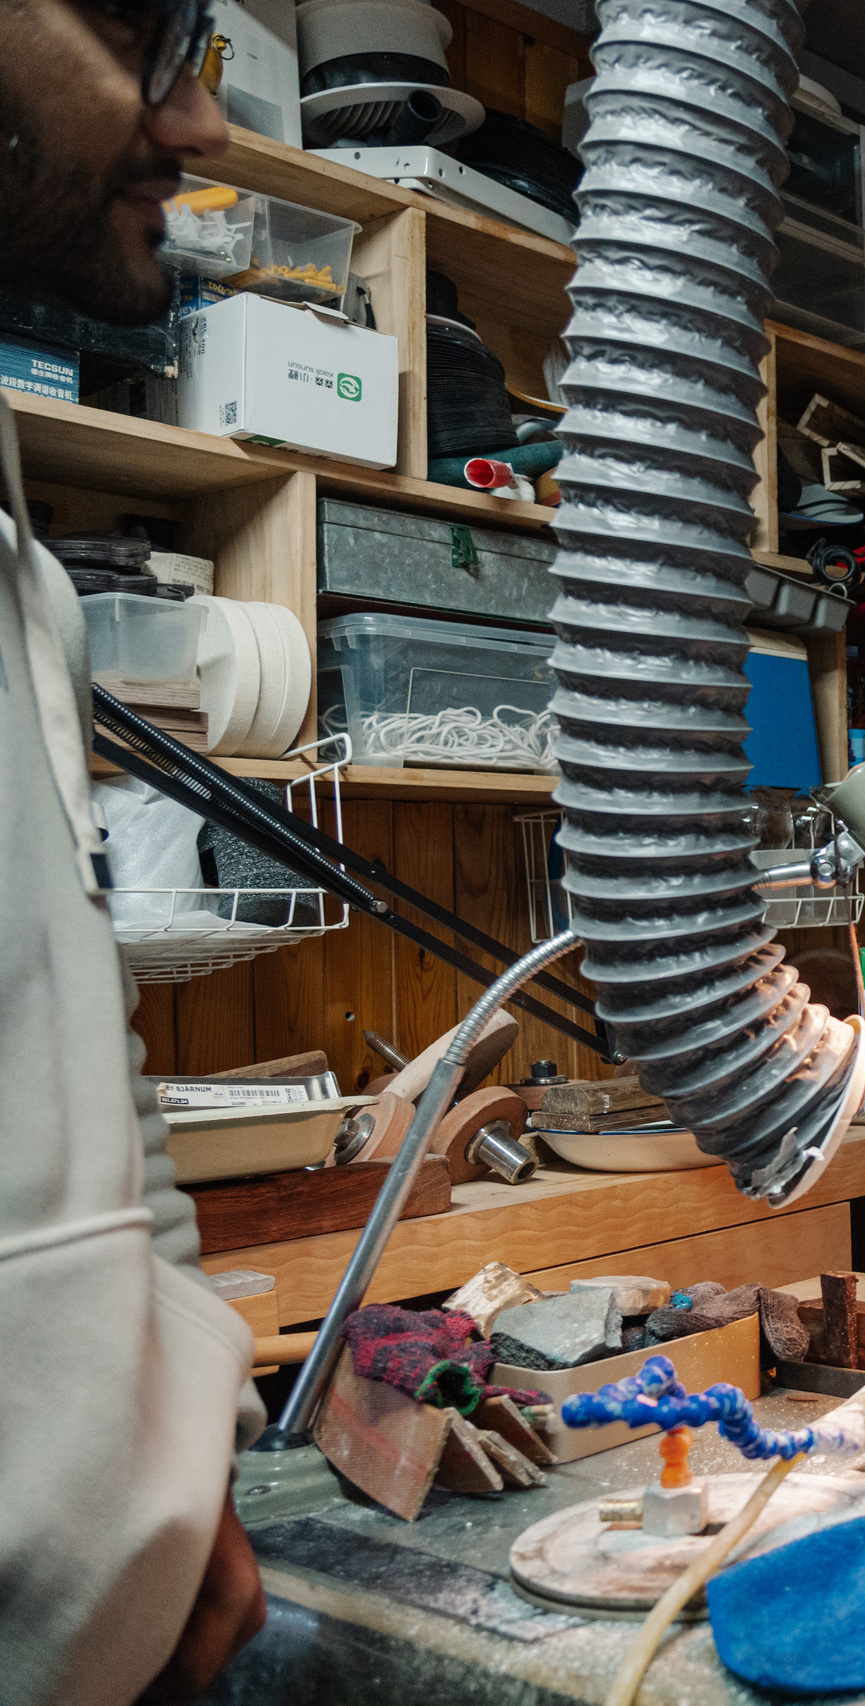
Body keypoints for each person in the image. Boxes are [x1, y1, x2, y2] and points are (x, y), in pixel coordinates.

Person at [0, 2, 270, 1702]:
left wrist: (191, 1461)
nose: (202, 127)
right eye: (130, 28)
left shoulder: (29, 591)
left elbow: (89, 1065)